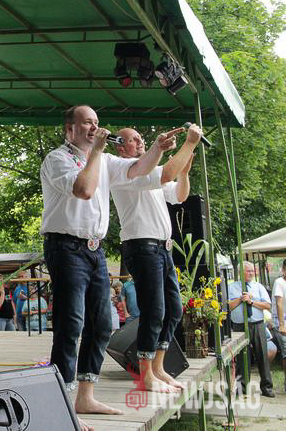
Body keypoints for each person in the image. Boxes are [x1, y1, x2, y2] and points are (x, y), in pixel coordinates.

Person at [40, 104, 181, 427]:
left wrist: (158, 149)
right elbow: (84, 189)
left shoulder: (103, 160)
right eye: (87, 123)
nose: (94, 127)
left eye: (97, 122)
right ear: (70, 129)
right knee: (70, 325)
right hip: (65, 247)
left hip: (94, 249)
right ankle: (61, 404)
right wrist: (98, 152)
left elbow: (139, 169)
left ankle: (85, 396)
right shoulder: (57, 159)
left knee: (103, 323)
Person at [110, 124, 201, 392]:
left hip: (162, 248)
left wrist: (184, 172)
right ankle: (146, 373)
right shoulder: (124, 171)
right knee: (154, 311)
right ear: (120, 147)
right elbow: (166, 172)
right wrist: (189, 143)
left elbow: (180, 195)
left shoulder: (149, 172)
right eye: (133, 139)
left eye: (140, 138)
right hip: (142, 247)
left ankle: (158, 368)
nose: (139, 142)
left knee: (174, 309)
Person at [228, 261, 275, 397]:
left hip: (257, 325)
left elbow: (267, 305)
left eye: (252, 271)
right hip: (240, 326)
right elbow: (228, 306)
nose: (251, 273)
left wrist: (251, 302)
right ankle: (241, 388)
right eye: (248, 271)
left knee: (262, 356)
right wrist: (241, 299)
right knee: (242, 357)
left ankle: (267, 387)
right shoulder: (232, 287)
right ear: (240, 272)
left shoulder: (258, 286)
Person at [269, 259, 286, 390]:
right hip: (281, 321)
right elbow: (279, 304)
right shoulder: (279, 282)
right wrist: (281, 324)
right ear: (284, 269)